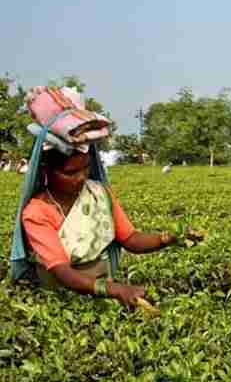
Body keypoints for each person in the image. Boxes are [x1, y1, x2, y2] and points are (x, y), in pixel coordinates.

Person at [10, 86, 179, 308]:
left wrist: (167, 239)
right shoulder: (37, 211)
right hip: (60, 301)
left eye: (86, 168)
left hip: (104, 292)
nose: (80, 178)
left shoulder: (99, 194)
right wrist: (115, 289)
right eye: (70, 173)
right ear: (45, 172)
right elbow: (61, 270)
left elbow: (130, 239)